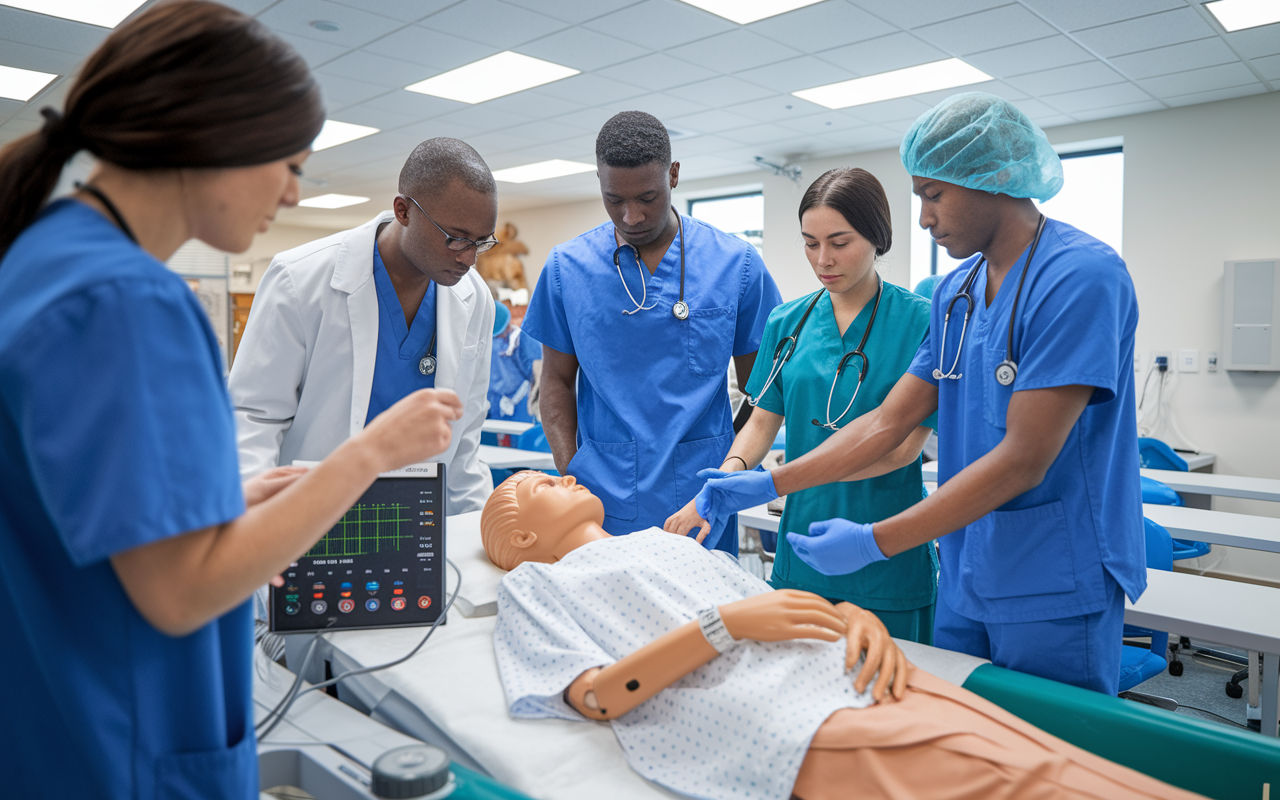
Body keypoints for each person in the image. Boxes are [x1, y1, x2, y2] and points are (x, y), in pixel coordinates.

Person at [0, 4, 464, 797]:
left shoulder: (41, 260)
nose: (291, 194)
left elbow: (69, 510)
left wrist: (220, 502)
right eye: (288, 164)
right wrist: (369, 455)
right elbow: (181, 593)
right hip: (128, 745)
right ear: (211, 135)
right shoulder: (128, 299)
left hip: (54, 720)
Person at [689, 93, 1145, 695]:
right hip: (965, 565)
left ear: (994, 179)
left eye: (934, 194)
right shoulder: (957, 293)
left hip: (1054, 570)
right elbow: (886, 422)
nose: (925, 218)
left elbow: (1024, 459)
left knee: (1050, 754)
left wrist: (876, 540)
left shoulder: (1080, 277)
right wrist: (770, 483)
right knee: (951, 736)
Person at [482, 472, 1199, 800]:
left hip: (848, 668)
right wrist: (722, 627)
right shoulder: (534, 586)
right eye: (540, 485)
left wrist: (854, 618)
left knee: (1042, 754)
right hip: (772, 716)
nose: (567, 473)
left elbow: (778, 606)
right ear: (517, 537)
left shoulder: (672, 543)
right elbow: (597, 697)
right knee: (1019, 783)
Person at [665, 168, 938, 643]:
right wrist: (729, 477)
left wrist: (777, 480)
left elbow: (902, 450)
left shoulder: (922, 321)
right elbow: (763, 418)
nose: (823, 259)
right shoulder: (787, 321)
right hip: (801, 548)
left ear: (877, 236)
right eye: (810, 243)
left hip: (886, 552)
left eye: (839, 242)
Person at [522, 111, 782, 554]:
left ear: (674, 175)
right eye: (613, 200)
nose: (631, 215)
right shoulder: (567, 269)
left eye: (647, 197)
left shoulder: (735, 264)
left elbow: (765, 392)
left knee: (706, 620)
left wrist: (729, 464)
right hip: (599, 496)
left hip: (703, 498)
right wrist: (572, 473)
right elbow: (556, 381)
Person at [229, 137, 497, 512]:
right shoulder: (300, 278)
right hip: (309, 512)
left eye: (482, 242)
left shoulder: (474, 297)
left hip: (419, 518)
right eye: (456, 239)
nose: (469, 259)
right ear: (403, 211)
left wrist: (478, 533)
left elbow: (465, 438)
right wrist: (253, 531)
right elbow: (254, 418)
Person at [488, 300, 542, 424]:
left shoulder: (521, 339)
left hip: (521, 405)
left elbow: (540, 375)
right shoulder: (483, 346)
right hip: (494, 406)